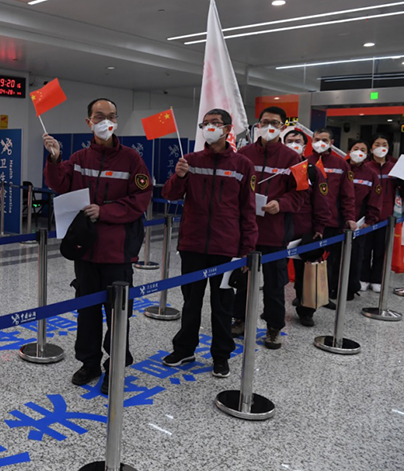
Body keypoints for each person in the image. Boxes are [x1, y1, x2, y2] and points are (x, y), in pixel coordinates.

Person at [43, 98, 152, 393]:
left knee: (117, 313)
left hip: (118, 251)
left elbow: (140, 199)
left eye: (112, 116)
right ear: (88, 121)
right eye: (99, 116)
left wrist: (105, 212)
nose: (106, 121)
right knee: (87, 311)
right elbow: (60, 184)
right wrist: (54, 159)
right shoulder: (79, 158)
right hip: (86, 249)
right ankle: (88, 363)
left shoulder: (132, 160)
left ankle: (115, 366)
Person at [160, 108, 257, 377]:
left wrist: (247, 249)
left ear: (228, 129)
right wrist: (178, 176)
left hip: (226, 247)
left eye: (216, 123)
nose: (210, 127)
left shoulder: (242, 165)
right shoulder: (189, 160)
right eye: (206, 123)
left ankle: (221, 355)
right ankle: (184, 349)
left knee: (222, 304)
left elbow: (248, 209)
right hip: (192, 244)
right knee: (191, 301)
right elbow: (170, 195)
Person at [233, 106, 304, 349]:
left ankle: (274, 327)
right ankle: (240, 319)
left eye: (274, 122)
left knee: (274, 284)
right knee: (241, 281)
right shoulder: (244, 154)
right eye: (265, 122)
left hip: (275, 232)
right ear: (258, 124)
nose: (269, 126)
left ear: (284, 126)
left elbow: (300, 195)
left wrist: (281, 204)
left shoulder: (294, 159)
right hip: (245, 232)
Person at [282, 129, 331, 326]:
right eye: (289, 140)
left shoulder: (312, 170)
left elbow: (321, 200)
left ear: (304, 145)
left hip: (304, 228)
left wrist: (319, 226)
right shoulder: (278, 169)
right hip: (279, 227)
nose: (293, 144)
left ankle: (306, 310)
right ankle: (273, 310)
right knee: (276, 273)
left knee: (306, 273)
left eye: (297, 141)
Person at [308, 128, 356, 308]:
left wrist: (350, 217)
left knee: (329, 261)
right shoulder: (305, 162)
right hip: (309, 221)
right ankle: (304, 296)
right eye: (317, 139)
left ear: (331, 142)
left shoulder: (341, 165)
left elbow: (347, 195)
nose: (320, 142)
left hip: (333, 221)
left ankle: (324, 295)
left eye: (324, 139)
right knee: (307, 260)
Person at [361, 134, 403, 292]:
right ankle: (363, 277)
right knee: (365, 249)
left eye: (384, 144)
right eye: (377, 144)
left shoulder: (394, 166)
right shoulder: (365, 166)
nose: (380, 147)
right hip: (368, 215)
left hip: (387, 216)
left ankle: (377, 279)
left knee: (381, 249)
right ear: (371, 148)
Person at [346, 140, 381, 300]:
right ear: (349, 150)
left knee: (356, 255)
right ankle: (333, 286)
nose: (358, 152)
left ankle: (351, 287)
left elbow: (375, 198)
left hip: (360, 223)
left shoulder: (371, 173)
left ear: (367, 153)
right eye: (355, 148)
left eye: (362, 149)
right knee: (334, 257)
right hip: (339, 221)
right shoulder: (342, 167)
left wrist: (370, 220)